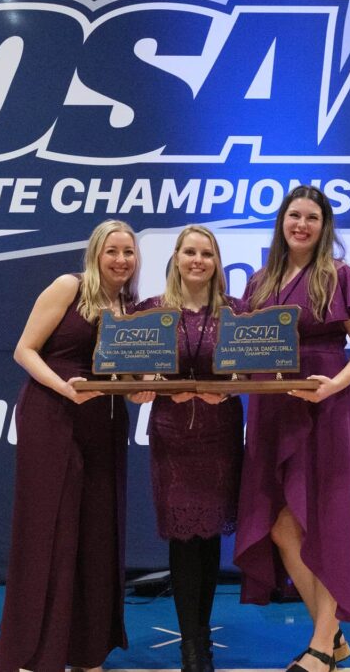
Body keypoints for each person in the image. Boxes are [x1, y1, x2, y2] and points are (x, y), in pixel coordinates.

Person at [233, 186, 350, 672]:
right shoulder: (259, 282)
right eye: (294, 216)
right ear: (282, 222)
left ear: (325, 227)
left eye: (312, 218)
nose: (301, 224)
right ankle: (333, 633)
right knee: (281, 527)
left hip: (326, 410)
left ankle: (321, 644)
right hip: (271, 413)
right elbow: (239, 352)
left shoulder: (339, 276)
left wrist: (333, 384)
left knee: (328, 522)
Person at [0, 219, 144, 672]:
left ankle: (86, 650)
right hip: (52, 416)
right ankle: (17, 651)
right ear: (95, 253)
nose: (120, 259)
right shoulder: (67, 287)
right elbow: (25, 350)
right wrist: (66, 388)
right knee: (48, 534)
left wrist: (142, 389)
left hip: (105, 423)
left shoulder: (131, 307)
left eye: (128, 252)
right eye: (112, 250)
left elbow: (127, 376)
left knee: (97, 535)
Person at [133, 225, 246, 672]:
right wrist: (144, 386)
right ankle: (191, 646)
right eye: (190, 252)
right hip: (172, 436)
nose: (198, 260)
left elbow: (255, 367)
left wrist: (235, 386)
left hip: (220, 437)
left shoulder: (238, 312)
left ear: (217, 262)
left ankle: (202, 634)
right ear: (176, 258)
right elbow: (132, 377)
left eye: (207, 253)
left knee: (209, 534)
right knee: (183, 539)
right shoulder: (150, 312)